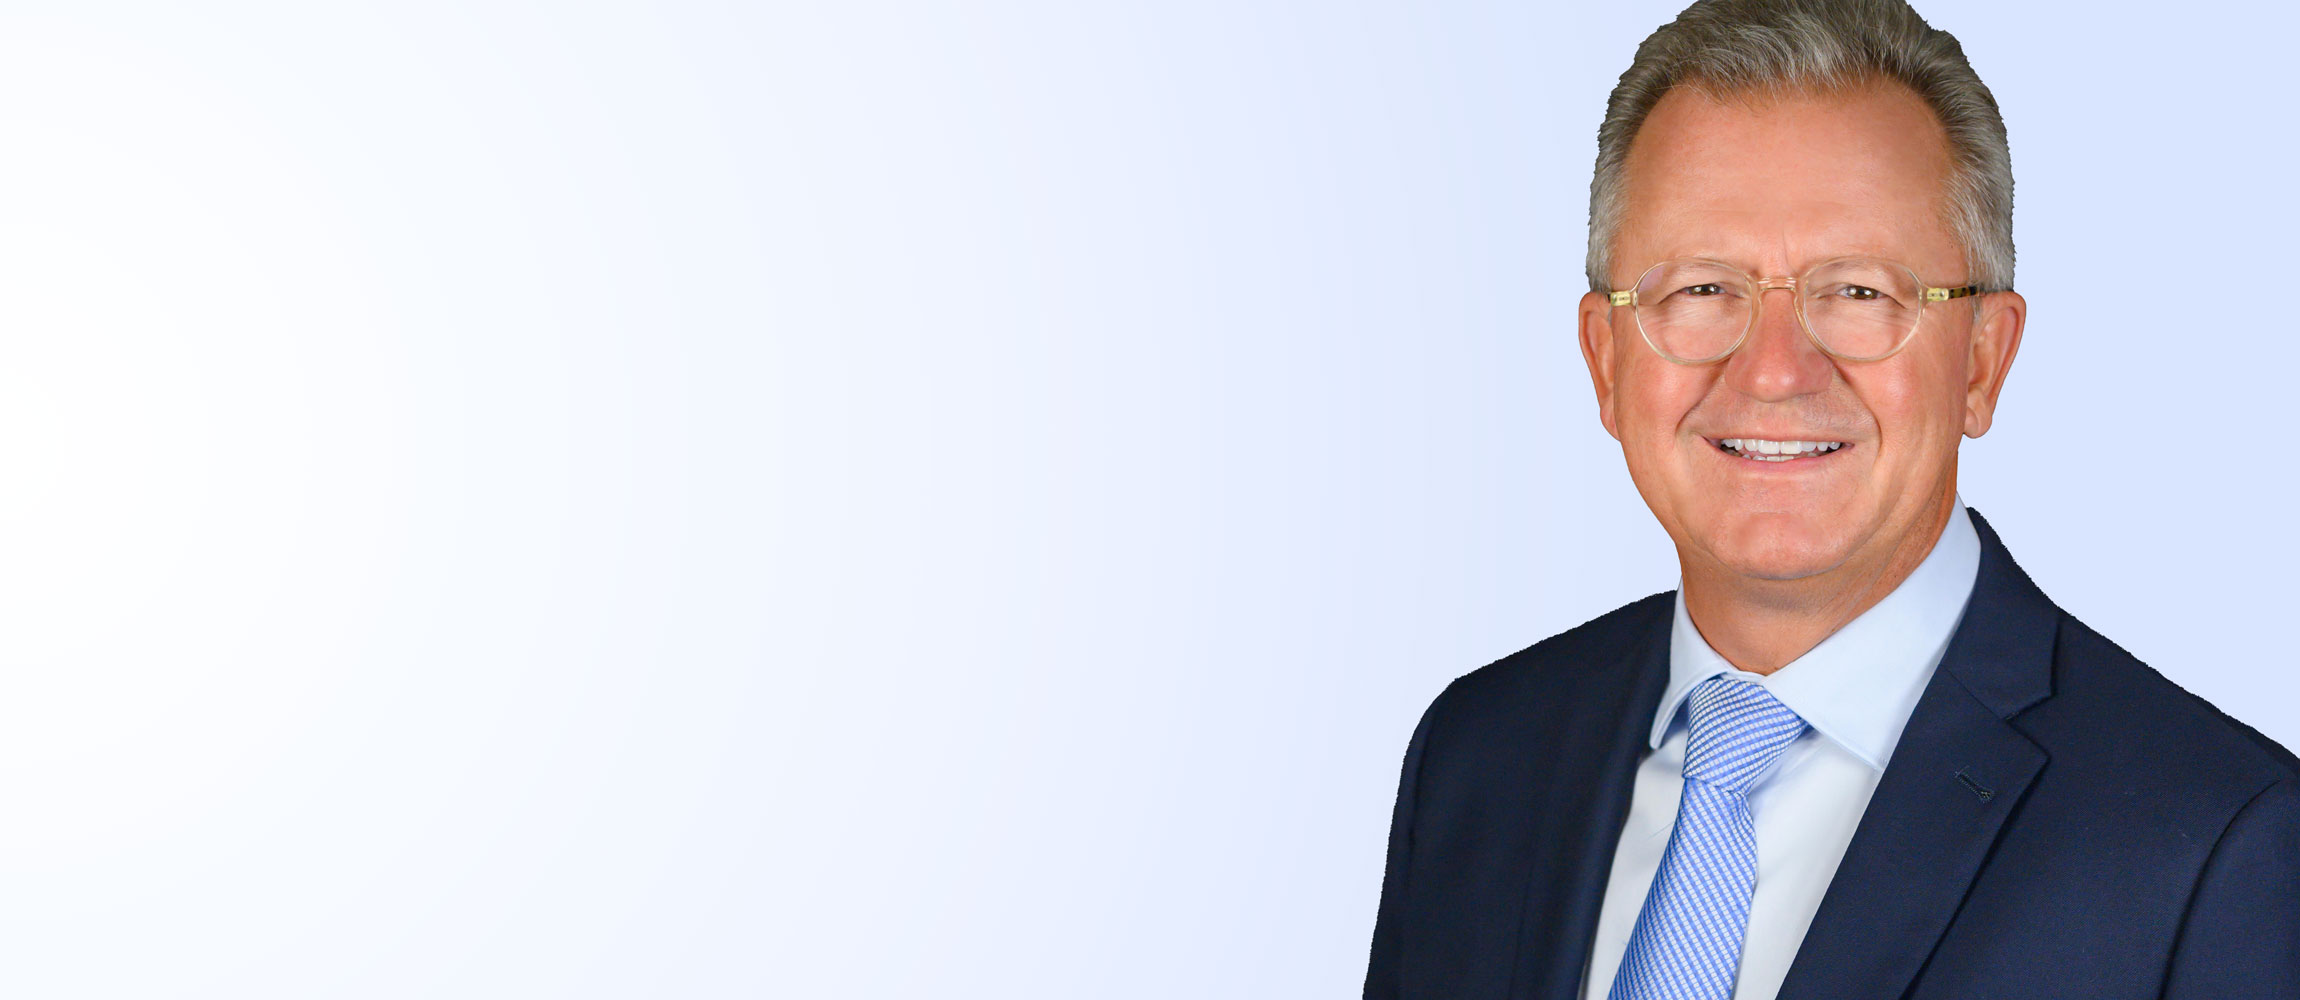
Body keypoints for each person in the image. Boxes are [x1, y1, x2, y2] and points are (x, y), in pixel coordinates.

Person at [1360, 1, 2300, 998]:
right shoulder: (1477, 755)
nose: (1773, 370)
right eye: (1701, 288)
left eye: (1858, 291)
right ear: (1605, 359)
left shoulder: (2217, 847)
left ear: (1981, 361)